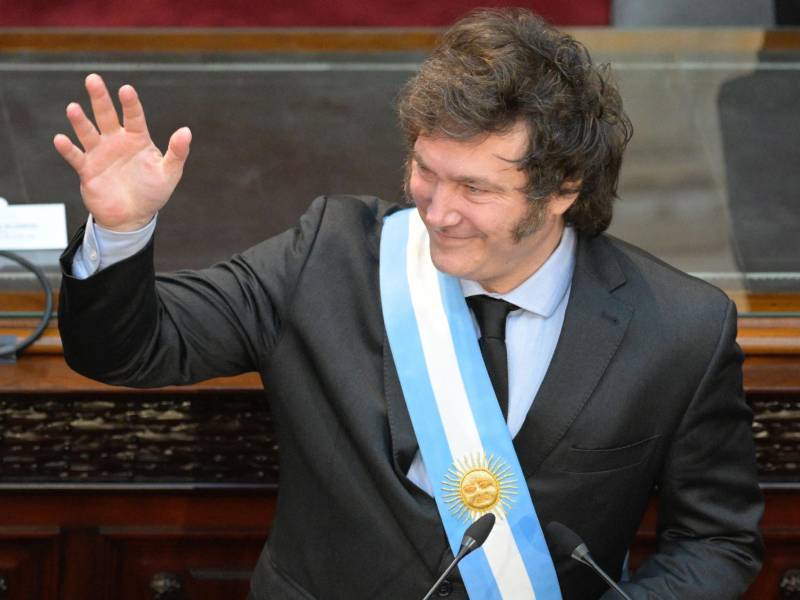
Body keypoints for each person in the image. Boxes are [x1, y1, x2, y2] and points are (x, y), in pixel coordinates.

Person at [54, 8, 763, 600]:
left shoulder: (680, 328)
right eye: (426, 170)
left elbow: (717, 543)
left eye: (476, 189)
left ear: (564, 189)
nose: (438, 211)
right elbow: (130, 349)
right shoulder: (326, 257)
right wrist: (122, 230)